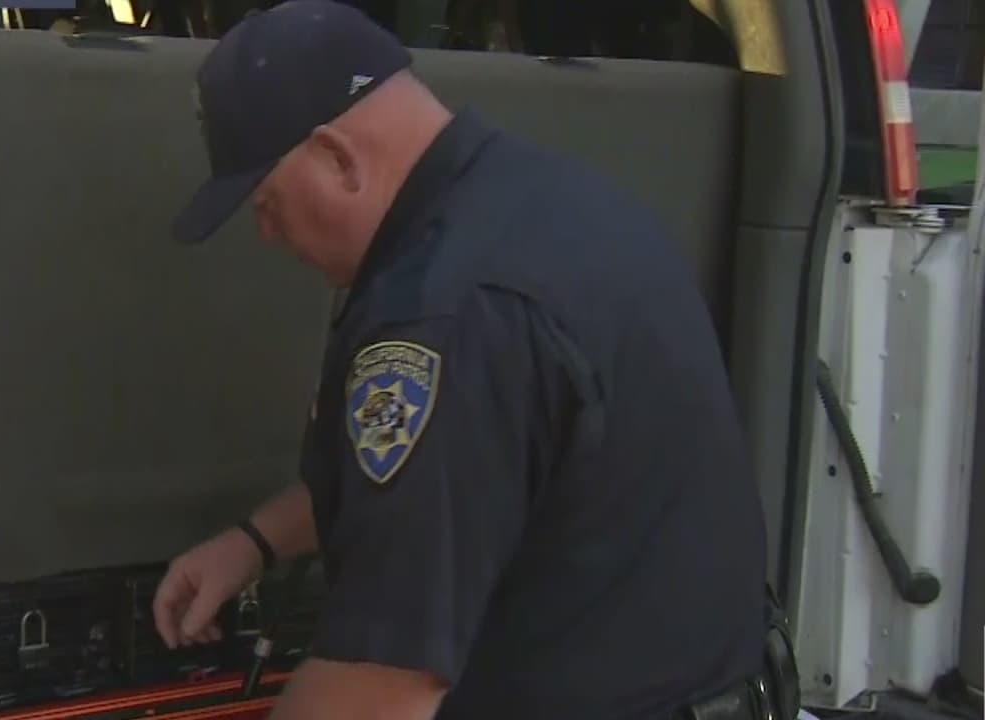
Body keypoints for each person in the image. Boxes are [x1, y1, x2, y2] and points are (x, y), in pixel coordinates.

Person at [155, 1, 772, 718]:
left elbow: (379, 693)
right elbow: (460, 478)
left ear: (337, 158)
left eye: (267, 203)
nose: (267, 234)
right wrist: (256, 542)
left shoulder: (444, 315)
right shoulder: (547, 203)